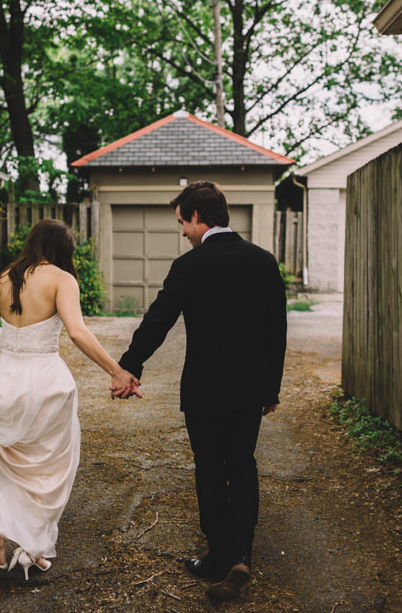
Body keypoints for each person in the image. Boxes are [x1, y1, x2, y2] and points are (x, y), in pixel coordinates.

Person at [112, 181, 287, 602]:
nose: (182, 232)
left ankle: (216, 558)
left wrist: (129, 366)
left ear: (196, 216)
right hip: (249, 389)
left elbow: (158, 321)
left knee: (209, 468)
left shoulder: (190, 265)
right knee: (242, 465)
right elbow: (276, 330)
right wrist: (271, 388)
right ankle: (241, 556)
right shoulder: (262, 261)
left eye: (182, 223)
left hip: (205, 391)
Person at [0, 219, 139, 580]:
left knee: (14, 468)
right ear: (63, 249)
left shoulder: (4, 278)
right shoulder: (62, 279)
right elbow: (77, 331)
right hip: (45, 383)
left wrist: (7, 340)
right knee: (50, 469)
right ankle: (31, 548)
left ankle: (1, 532)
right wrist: (116, 370)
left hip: (3, 382)